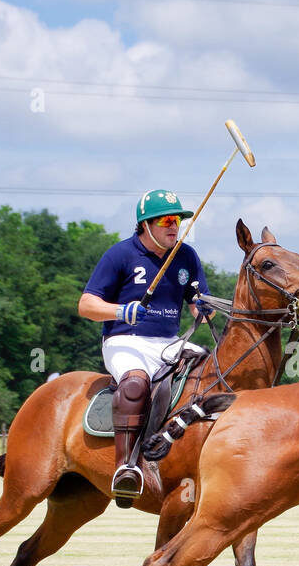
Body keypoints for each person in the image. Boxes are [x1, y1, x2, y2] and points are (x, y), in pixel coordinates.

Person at [78, 189, 211, 506]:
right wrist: (121, 311)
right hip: (125, 340)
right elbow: (86, 305)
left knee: (212, 372)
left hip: (170, 343)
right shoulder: (121, 254)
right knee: (136, 383)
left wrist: (204, 308)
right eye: (167, 220)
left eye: (177, 220)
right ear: (145, 225)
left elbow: (198, 304)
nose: (174, 226)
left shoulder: (186, 256)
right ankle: (126, 468)